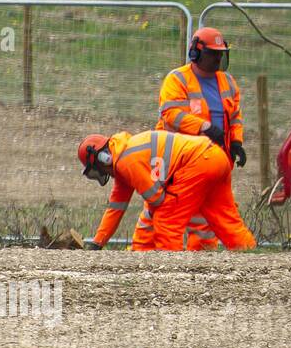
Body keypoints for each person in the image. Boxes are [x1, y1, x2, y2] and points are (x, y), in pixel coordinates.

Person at [79, 130, 256, 252]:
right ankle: (250, 257)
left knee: (166, 219)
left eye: (98, 170)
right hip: (216, 157)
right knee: (226, 218)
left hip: (199, 163)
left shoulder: (127, 162)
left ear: (103, 158)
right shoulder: (124, 159)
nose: (102, 174)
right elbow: (115, 208)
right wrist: (98, 242)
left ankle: (172, 274)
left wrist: (142, 246)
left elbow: (157, 200)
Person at [156, 27, 247, 249]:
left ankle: (202, 261)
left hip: (214, 160)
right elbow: (171, 114)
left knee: (206, 217)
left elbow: (235, 116)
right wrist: (204, 127)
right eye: (213, 54)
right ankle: (155, 255)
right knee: (164, 209)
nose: (217, 58)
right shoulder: (177, 79)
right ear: (196, 53)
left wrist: (236, 142)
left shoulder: (228, 82)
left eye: (220, 54)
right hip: (180, 160)